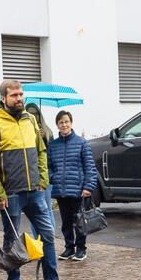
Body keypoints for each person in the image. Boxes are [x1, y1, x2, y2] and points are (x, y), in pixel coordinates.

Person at [0, 80, 77, 280]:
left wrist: (43, 179)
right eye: (14, 95)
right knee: (12, 241)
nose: (19, 99)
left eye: (21, 94)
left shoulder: (31, 120)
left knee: (48, 236)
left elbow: (42, 151)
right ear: (3, 98)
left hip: (35, 190)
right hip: (11, 193)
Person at [47, 110, 97, 262]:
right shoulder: (53, 145)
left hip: (78, 190)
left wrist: (88, 186)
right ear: (57, 125)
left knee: (79, 221)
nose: (64, 125)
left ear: (71, 123)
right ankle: (69, 248)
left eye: (67, 121)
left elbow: (90, 167)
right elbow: (48, 166)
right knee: (66, 222)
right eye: (61, 122)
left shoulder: (82, 143)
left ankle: (81, 249)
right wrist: (52, 177)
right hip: (61, 190)